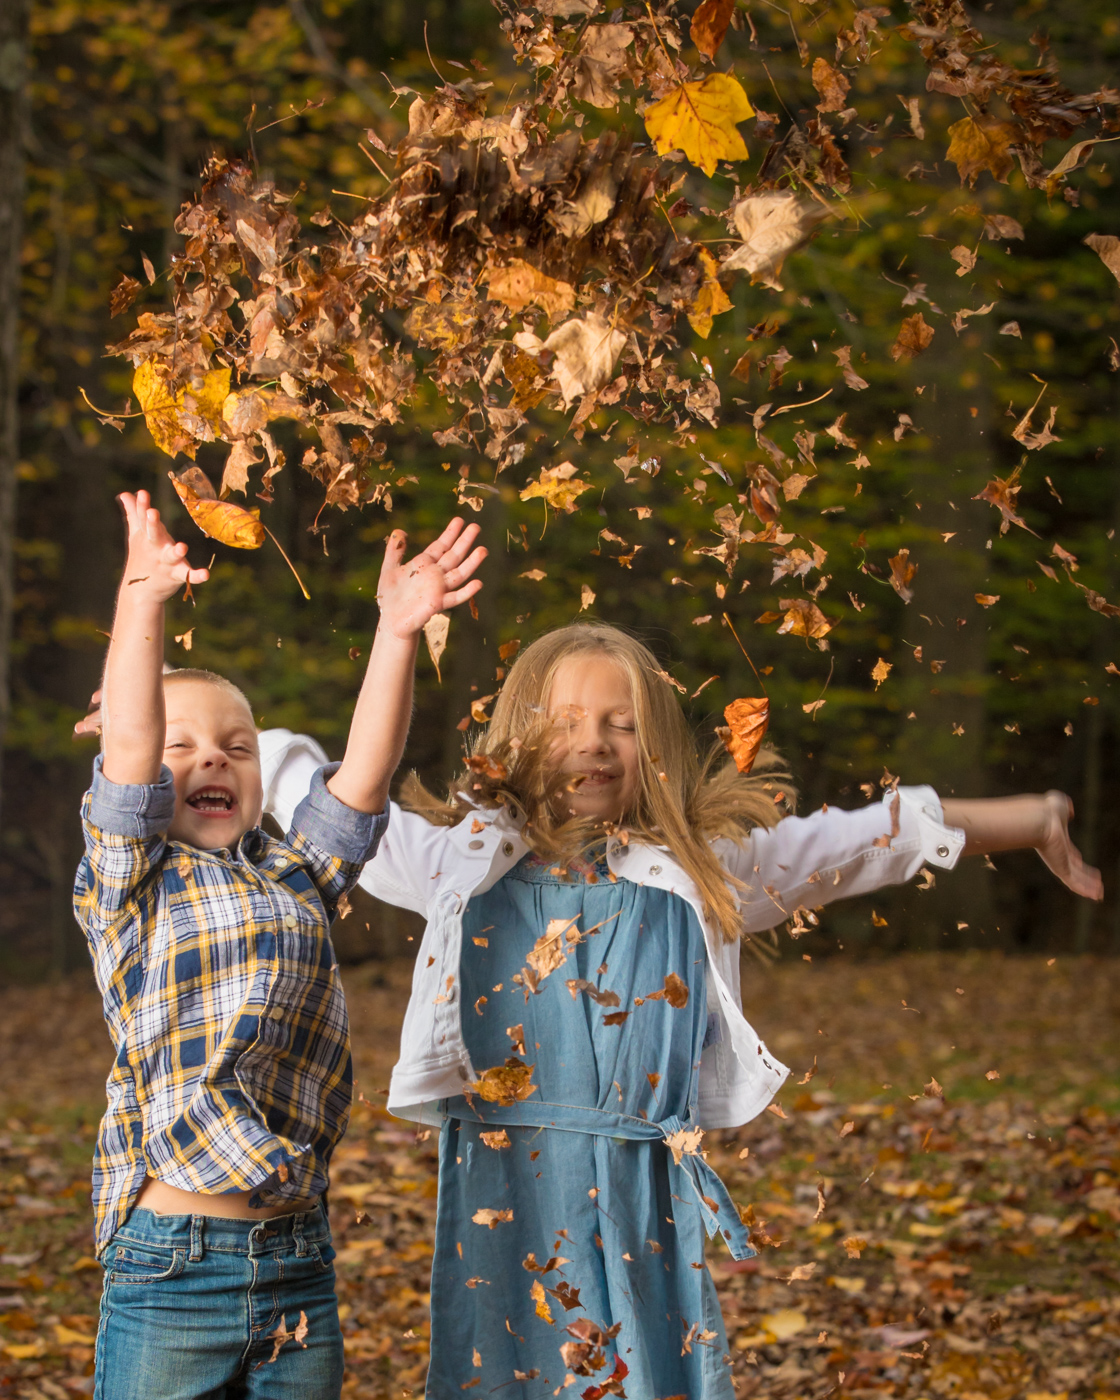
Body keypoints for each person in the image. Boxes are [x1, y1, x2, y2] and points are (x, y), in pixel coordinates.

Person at [260, 613, 1100, 1398]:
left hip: (641, 1180)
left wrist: (1036, 817)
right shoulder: (454, 861)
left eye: (621, 725)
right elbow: (319, 794)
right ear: (516, 738)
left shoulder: (703, 870)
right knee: (505, 1364)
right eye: (565, 721)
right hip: (503, 1177)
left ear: (655, 746)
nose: (593, 743)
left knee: (649, 1371)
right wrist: (170, 737)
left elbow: (868, 838)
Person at [73, 492, 485, 1400]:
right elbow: (134, 748)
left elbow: (364, 778)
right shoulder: (130, 882)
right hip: (173, 1264)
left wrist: (398, 633)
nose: (213, 759)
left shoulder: (295, 877)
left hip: (298, 1257)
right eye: (185, 747)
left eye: (237, 747)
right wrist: (142, 601)